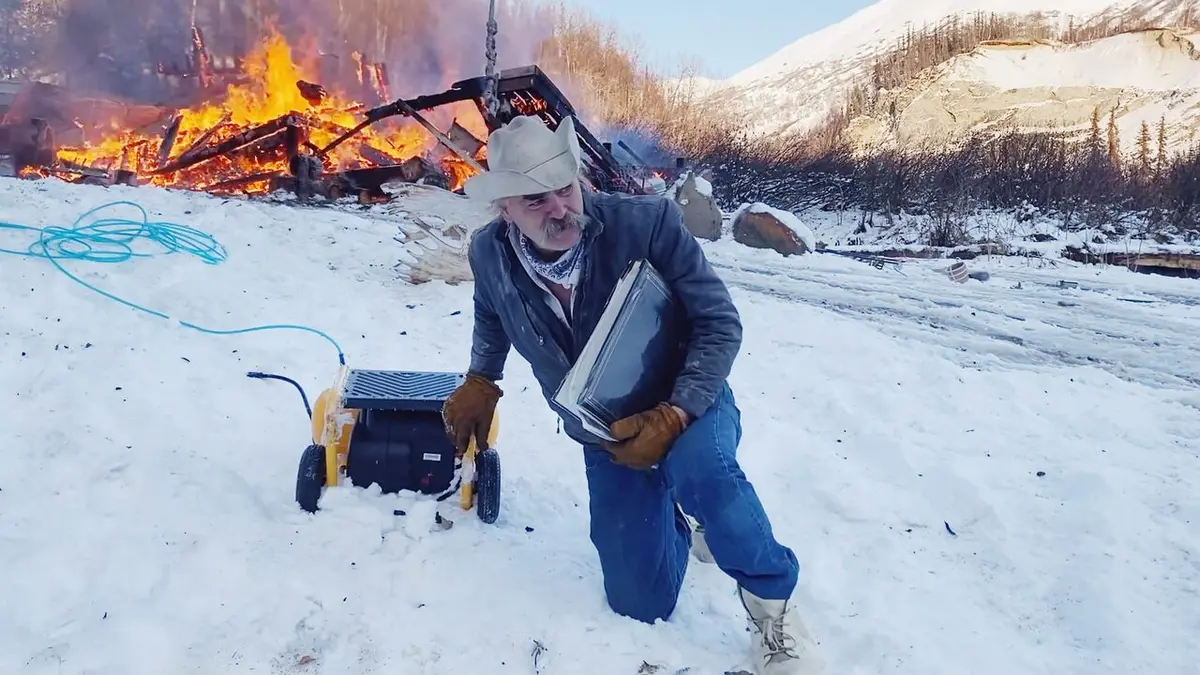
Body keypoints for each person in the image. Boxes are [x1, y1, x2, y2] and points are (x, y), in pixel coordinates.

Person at [440, 114, 825, 675]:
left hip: (689, 400)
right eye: (534, 201)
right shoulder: (489, 254)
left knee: (707, 472)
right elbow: (490, 313)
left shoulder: (646, 222)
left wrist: (676, 412)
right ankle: (678, 518)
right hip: (607, 433)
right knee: (638, 602)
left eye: (564, 189)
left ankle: (774, 608)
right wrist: (481, 378)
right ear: (504, 210)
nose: (558, 209)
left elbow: (719, 323)